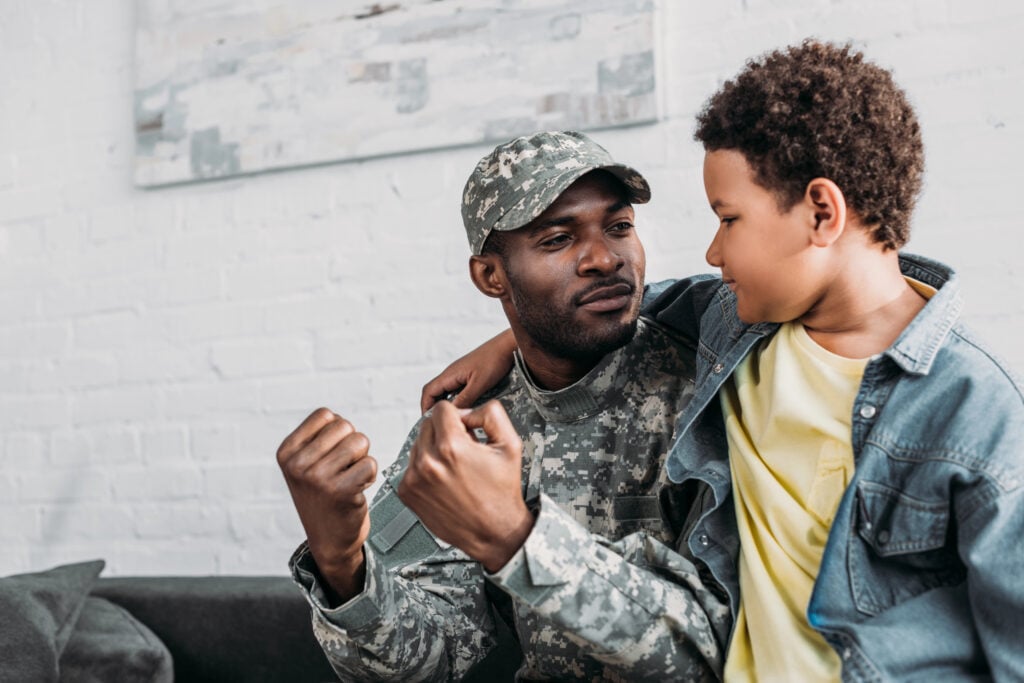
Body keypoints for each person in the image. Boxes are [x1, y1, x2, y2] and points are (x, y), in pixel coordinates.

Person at [422, 41, 1024, 680]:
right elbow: (599, 306)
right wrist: (508, 343)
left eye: (728, 219)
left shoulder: (975, 413)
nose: (711, 250)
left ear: (821, 213)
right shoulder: (734, 326)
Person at [277, 130, 730, 681]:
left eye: (619, 227)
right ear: (491, 276)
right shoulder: (466, 429)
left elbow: (723, 654)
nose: (604, 259)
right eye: (558, 240)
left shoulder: (713, 379)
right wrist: (340, 563)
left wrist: (518, 538)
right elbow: (426, 662)